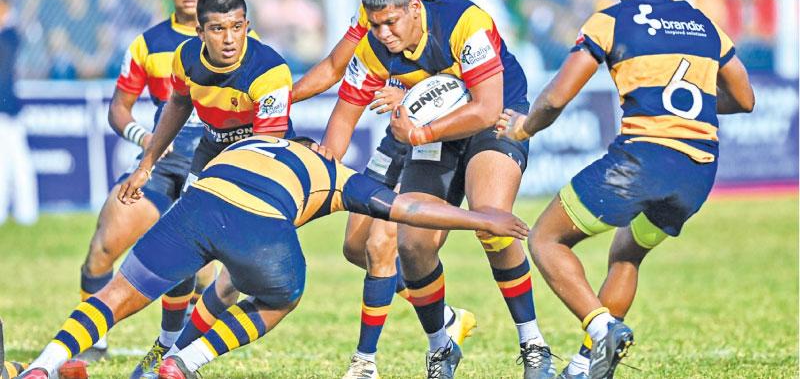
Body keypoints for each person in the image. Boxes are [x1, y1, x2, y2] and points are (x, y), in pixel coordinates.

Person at [16, 136, 531, 379]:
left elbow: (222, 287)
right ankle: (184, 361)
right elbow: (408, 207)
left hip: (199, 204)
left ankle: (45, 364)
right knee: (282, 294)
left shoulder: (255, 144)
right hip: (259, 225)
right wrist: (483, 219)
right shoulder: (329, 171)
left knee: (114, 296)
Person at [495, 0, 755, 379]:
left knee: (544, 239)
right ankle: (582, 367)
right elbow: (745, 98)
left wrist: (523, 126)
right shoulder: (703, 24)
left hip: (642, 160)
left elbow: (557, 97)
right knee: (627, 254)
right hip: (698, 170)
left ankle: (601, 329)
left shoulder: (610, 20)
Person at [323, 0, 554, 379]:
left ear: (414, 8)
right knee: (412, 243)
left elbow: (485, 108)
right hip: (435, 130)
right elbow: (342, 120)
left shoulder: (466, 22)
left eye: (390, 23)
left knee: (491, 221)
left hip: (496, 117)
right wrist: (319, 171)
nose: (382, 34)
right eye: (374, 25)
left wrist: (419, 132)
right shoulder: (372, 50)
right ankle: (441, 348)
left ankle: (533, 343)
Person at [293, 0, 476, 377]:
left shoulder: (444, 12)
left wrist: (405, 90)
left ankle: (365, 363)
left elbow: (455, 85)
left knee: (381, 243)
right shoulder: (375, 9)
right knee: (355, 246)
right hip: (395, 137)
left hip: (431, 138)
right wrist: (278, 99)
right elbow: (339, 67)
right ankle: (447, 318)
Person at [115, 0, 294, 377]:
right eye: (217, 29)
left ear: (248, 25)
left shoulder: (270, 71)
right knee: (185, 256)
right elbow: (178, 103)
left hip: (263, 166)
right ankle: (166, 345)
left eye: (236, 27)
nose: (229, 39)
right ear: (200, 32)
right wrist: (146, 164)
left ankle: (182, 356)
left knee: (234, 277)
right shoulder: (186, 58)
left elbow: (265, 150)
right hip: (211, 153)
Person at [70, 0, 215, 375]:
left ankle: (182, 343)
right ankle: (91, 341)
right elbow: (119, 108)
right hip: (160, 161)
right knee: (105, 243)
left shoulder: (233, 36)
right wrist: (146, 138)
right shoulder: (148, 43)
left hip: (210, 164)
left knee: (204, 269)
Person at [0, 0, 38, 228]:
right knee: (7, 165)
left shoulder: (10, 36)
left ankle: (26, 212)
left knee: (17, 164)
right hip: (6, 111)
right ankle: (17, 212)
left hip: (8, 112)